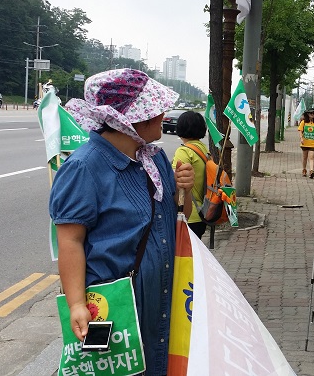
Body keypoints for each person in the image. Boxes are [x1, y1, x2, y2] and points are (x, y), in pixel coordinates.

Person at [49, 69, 194, 374]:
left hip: (161, 295)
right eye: (155, 110)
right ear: (132, 119)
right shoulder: (84, 167)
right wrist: (76, 304)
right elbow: (70, 240)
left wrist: (186, 190)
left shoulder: (155, 159)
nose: (163, 115)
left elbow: (179, 216)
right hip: (116, 304)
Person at [172, 110, 209, 239]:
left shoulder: (184, 151)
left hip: (188, 216)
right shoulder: (204, 150)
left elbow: (175, 182)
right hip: (201, 213)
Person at [298, 109, 314, 178]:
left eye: (313, 113)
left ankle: (311, 171)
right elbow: (300, 130)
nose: (312, 114)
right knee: (305, 157)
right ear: (307, 114)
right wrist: (301, 138)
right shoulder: (303, 122)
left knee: (311, 157)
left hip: (313, 143)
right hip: (305, 143)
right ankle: (304, 169)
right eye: (310, 113)